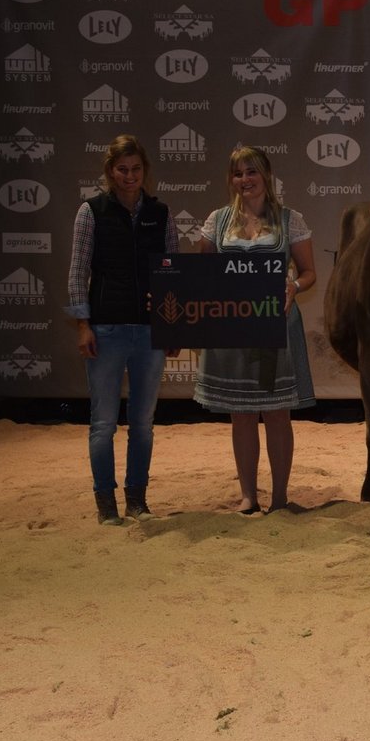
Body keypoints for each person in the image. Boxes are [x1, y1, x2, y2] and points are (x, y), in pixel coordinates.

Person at [193, 146, 316, 514]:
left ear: (266, 176)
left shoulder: (291, 220)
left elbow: (309, 272)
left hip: (276, 326)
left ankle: (279, 497)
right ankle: (249, 495)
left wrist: (294, 286)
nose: (244, 180)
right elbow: (203, 271)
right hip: (232, 327)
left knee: (277, 414)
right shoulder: (217, 221)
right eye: (237, 173)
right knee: (241, 413)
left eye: (251, 172)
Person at [64, 135, 179, 524]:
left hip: (149, 332)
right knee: (103, 423)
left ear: (145, 170)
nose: (130, 176)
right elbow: (78, 272)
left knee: (143, 424)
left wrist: (172, 327)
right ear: (110, 172)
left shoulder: (162, 214)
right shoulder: (90, 212)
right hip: (106, 330)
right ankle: (106, 505)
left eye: (136, 169)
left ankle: (137, 500)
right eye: (122, 169)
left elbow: (172, 272)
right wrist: (83, 324)